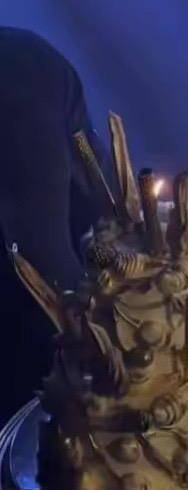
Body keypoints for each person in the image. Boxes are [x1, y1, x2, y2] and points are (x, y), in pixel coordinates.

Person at [0, 29, 104, 421]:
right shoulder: (20, 61)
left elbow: (93, 172)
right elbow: (41, 245)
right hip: (47, 369)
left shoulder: (22, 63)